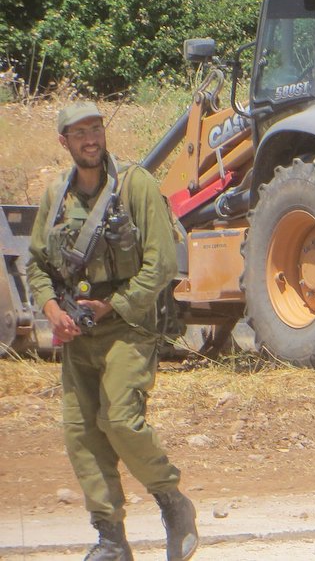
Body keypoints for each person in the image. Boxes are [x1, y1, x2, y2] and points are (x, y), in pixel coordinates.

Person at [25, 102, 198, 561]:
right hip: (77, 331)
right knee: (81, 432)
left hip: (128, 323)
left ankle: (172, 501)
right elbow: (37, 265)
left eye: (96, 129)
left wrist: (111, 306)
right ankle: (110, 539)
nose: (91, 139)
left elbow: (162, 264)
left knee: (119, 419)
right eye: (80, 133)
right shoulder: (55, 197)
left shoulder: (135, 186)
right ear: (64, 142)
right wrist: (50, 309)